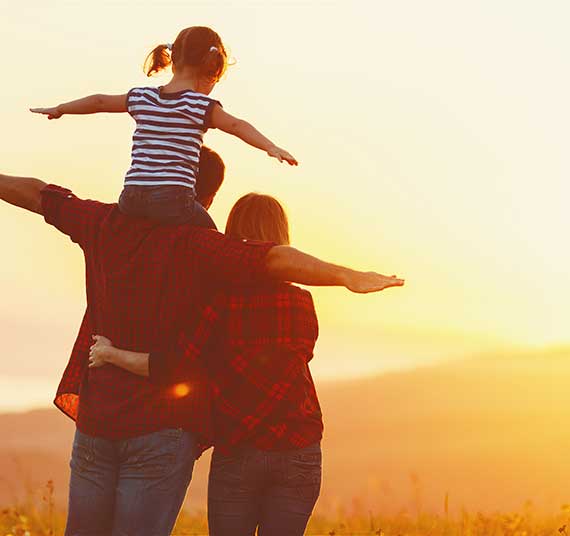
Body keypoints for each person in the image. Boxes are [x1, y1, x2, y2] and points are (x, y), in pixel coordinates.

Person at [0, 162, 404, 536]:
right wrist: (346, 275)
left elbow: (39, 195)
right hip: (273, 441)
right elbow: (277, 277)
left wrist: (111, 354)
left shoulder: (120, 233)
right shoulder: (276, 289)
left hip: (186, 435)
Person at [90, 193, 326, 535]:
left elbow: (173, 368)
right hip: (299, 447)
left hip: (240, 446)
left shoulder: (217, 301)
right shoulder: (302, 302)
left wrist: (112, 355)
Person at [30, 25, 297, 226]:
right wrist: (270, 147)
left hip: (130, 198)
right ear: (210, 67)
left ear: (173, 60)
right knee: (211, 234)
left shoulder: (142, 97)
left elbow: (99, 100)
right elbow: (237, 125)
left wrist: (60, 109)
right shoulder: (199, 106)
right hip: (172, 199)